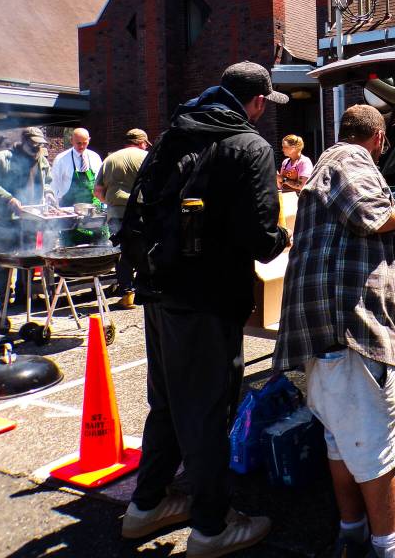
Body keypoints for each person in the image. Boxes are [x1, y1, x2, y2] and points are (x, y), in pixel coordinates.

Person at [120, 62, 290, 557]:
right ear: (258, 101)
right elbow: (261, 240)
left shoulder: (174, 132)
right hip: (208, 298)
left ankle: (147, 504)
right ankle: (212, 527)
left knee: (169, 401)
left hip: (158, 289)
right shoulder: (249, 145)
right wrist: (283, 236)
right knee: (208, 411)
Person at [274, 104, 395, 558]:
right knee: (374, 446)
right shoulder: (350, 158)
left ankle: (351, 530)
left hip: (326, 334)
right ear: (378, 138)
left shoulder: (323, 164)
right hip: (352, 329)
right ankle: (388, 546)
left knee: (340, 440)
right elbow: (368, 213)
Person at [0, 127, 52, 304]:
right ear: (24, 141)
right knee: (5, 260)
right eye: (33, 145)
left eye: (40, 145)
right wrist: (9, 199)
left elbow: (48, 182)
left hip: (32, 218)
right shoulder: (3, 158)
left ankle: (24, 295)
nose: (37, 148)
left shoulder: (42, 160)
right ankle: (3, 299)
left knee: (28, 258)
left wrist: (49, 193)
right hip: (6, 219)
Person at [94, 129, 150, 310]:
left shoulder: (110, 159)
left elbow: (97, 191)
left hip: (116, 213)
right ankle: (146, 288)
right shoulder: (147, 157)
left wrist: (111, 203)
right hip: (141, 211)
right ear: (142, 143)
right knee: (145, 248)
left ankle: (127, 294)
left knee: (122, 251)